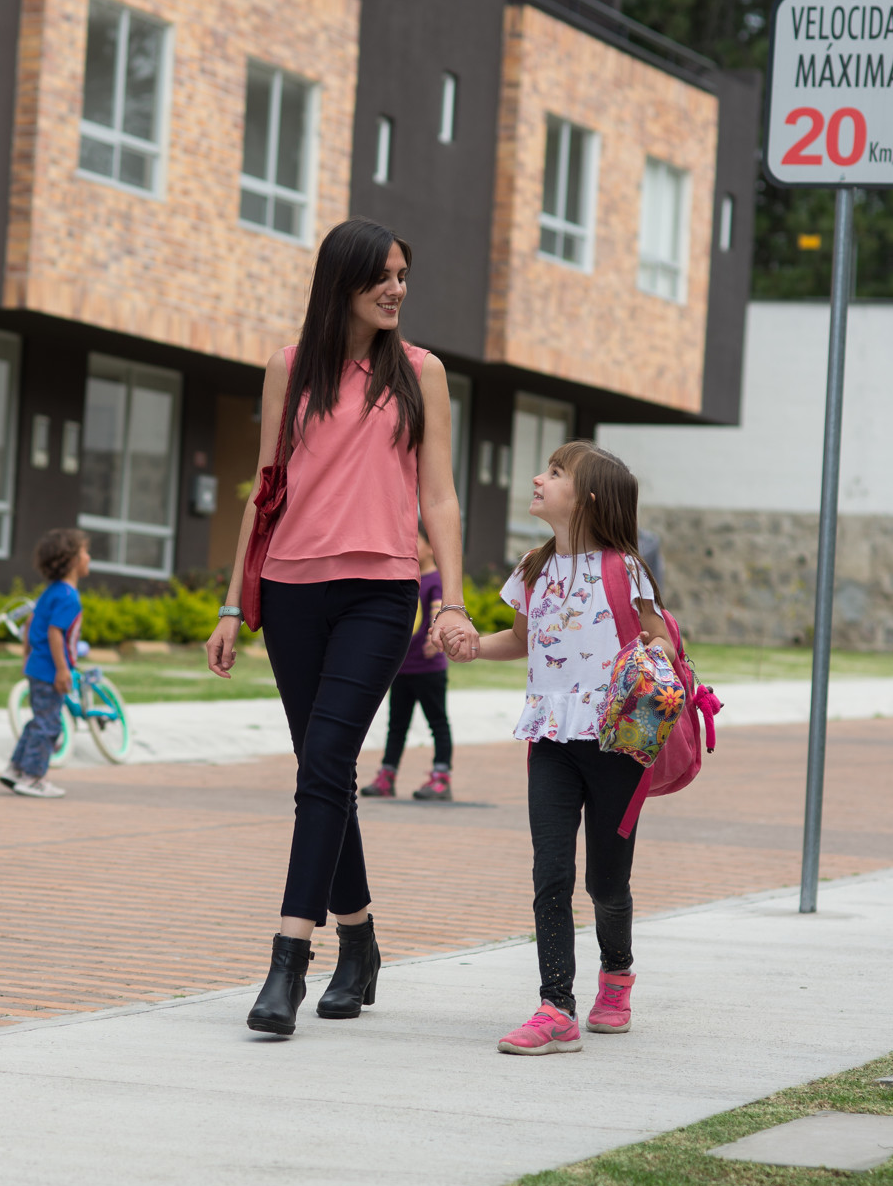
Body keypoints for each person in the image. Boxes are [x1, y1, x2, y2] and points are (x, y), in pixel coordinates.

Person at [207, 218, 479, 1037]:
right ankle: (358, 944)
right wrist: (232, 603)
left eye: (402, 275)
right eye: (382, 276)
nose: (397, 289)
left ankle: (287, 960)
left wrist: (450, 599)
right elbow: (265, 490)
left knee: (324, 763)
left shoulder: (421, 372)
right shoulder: (287, 369)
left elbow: (439, 495)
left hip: (381, 593)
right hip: (290, 591)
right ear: (343, 281)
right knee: (323, 770)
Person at [436, 442, 667, 1054]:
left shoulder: (626, 569)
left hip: (617, 744)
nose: (539, 478)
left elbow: (660, 636)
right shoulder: (533, 568)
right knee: (551, 873)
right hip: (550, 740)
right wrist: (472, 646)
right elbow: (521, 639)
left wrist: (659, 654)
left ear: (586, 498)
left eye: (556, 472)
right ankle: (556, 1006)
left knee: (607, 883)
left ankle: (616, 976)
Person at [360, 528, 453, 801]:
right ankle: (386, 776)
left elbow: (438, 609)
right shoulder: (408, 580)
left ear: (431, 547)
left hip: (429, 668)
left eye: (416, 541)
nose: (411, 546)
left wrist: (435, 633)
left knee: (437, 722)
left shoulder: (436, 580)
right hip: (401, 667)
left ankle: (441, 777)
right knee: (396, 726)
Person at [1, 528, 89, 801]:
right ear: (72, 561)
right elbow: (55, 633)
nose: (89, 557)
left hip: (37, 667)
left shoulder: (51, 592)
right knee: (49, 726)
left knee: (39, 722)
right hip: (51, 670)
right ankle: (34, 778)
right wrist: (62, 670)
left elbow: (30, 623)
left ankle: (16, 769)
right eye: (85, 552)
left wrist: (26, 657)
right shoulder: (69, 597)